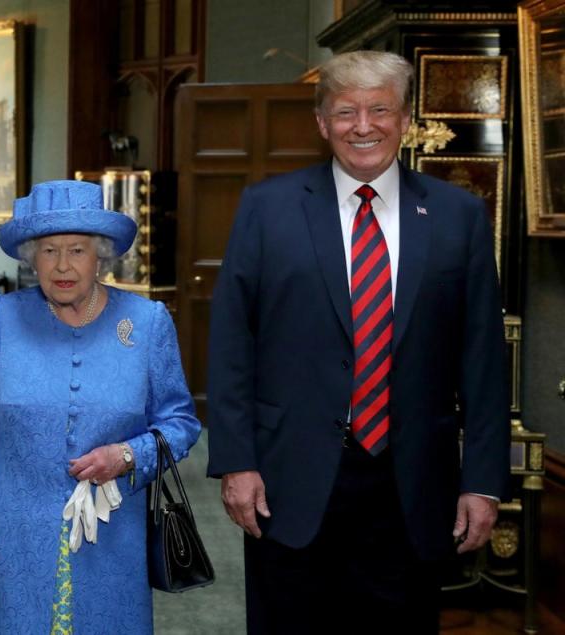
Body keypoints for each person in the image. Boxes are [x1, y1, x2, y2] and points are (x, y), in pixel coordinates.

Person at [207, 50, 509, 634]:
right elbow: (231, 344)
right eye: (346, 111)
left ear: (406, 120)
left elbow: (483, 360)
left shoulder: (459, 215)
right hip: (290, 478)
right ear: (322, 123)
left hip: (414, 483)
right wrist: (236, 461)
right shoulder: (267, 209)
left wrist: (482, 481)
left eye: (380, 109)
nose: (363, 126)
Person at [0, 180, 201, 633]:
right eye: (49, 251)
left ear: (101, 256)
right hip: (16, 538)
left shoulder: (146, 323)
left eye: (77, 250)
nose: (62, 266)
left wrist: (128, 456)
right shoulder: (5, 318)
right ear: (32, 258)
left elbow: (181, 422)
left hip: (114, 541)